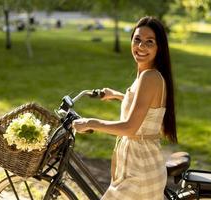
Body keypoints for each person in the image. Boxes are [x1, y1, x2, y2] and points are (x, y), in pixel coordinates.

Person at [72, 16, 177, 200]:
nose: (141, 46)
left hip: (140, 171)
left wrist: (91, 122)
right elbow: (146, 108)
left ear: (159, 47)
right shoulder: (147, 75)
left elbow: (130, 128)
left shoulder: (149, 78)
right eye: (137, 39)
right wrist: (118, 95)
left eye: (149, 42)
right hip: (139, 165)